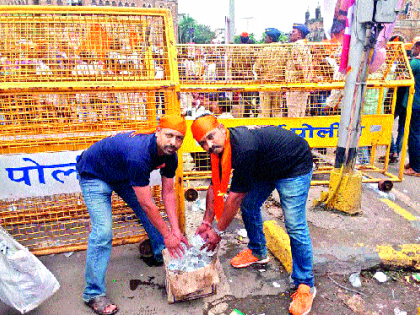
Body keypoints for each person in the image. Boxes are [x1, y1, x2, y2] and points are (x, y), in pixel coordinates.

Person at [191, 115, 316, 315]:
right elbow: (215, 186)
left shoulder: (243, 148)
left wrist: (218, 232)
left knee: (294, 224)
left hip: (293, 164)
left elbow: (234, 198)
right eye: (203, 143)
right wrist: (206, 221)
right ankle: (258, 252)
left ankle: (305, 284)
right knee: (250, 206)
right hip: (266, 166)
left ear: (222, 128)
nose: (209, 145)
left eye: (211, 137)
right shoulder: (221, 151)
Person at [76, 115, 189, 315]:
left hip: (121, 174)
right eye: (169, 135)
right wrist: (168, 235)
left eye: (179, 138)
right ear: (157, 132)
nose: (173, 142)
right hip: (94, 174)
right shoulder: (139, 155)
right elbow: (146, 203)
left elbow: (169, 193)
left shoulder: (171, 155)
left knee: (153, 217)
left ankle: (160, 254)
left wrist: (176, 230)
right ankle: (93, 293)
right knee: (102, 233)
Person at [254, 28, 287, 117]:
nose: (265, 39)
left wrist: (260, 75)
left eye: (266, 37)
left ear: (270, 39)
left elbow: (257, 68)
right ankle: (277, 129)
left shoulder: (264, 50)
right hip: (278, 84)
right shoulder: (284, 50)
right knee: (277, 110)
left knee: (265, 110)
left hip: (265, 84)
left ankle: (264, 129)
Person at [286, 23, 313, 118]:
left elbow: (299, 65)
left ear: (299, 35)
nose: (290, 33)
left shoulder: (296, 46)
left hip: (295, 84)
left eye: (293, 31)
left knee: (293, 112)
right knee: (301, 112)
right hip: (304, 84)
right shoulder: (306, 46)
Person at [405, 40, 420, 177]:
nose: (413, 49)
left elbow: (404, 76)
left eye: (414, 47)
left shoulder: (415, 63)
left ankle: (416, 167)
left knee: (414, 135)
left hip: (415, 103)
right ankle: (415, 163)